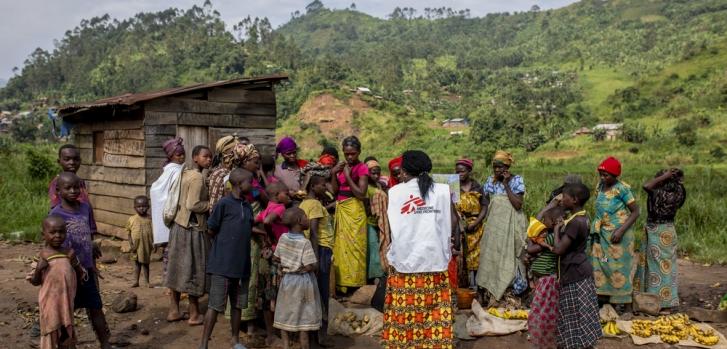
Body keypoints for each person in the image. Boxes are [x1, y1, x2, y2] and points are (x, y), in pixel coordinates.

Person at [382, 150, 455, 349]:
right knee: (434, 315)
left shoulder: (395, 192)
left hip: (405, 264)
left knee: (405, 313)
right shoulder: (442, 190)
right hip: (435, 263)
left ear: (404, 171)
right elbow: (450, 223)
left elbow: (394, 228)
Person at [50, 172, 112, 349]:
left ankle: (105, 343)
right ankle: (67, 345)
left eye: (76, 187)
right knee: (66, 313)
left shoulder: (85, 207)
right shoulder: (56, 215)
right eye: (68, 188)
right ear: (58, 191)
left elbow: (89, 231)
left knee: (95, 307)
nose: (73, 190)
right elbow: (51, 243)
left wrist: (91, 246)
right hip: (67, 274)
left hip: (86, 270)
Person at [199, 169, 254, 349]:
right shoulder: (224, 203)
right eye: (249, 182)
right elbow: (211, 229)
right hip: (222, 265)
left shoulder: (246, 206)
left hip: (242, 265)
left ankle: (235, 340)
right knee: (215, 305)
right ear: (239, 184)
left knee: (237, 305)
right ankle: (204, 343)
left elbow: (247, 228)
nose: (252, 185)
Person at [165, 145, 213, 325]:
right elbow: (193, 204)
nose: (208, 159)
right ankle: (193, 314)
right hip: (192, 229)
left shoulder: (183, 173)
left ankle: (174, 310)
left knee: (176, 268)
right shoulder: (198, 177)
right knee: (194, 269)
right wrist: (211, 204)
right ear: (195, 158)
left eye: (210, 157)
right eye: (205, 156)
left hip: (178, 226)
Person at [553, 183, 602, 349]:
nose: (561, 198)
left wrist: (556, 231)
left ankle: (575, 344)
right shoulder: (582, 217)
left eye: (564, 196)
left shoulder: (575, 222)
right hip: (580, 270)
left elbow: (559, 250)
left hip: (574, 274)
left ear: (574, 200)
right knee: (581, 315)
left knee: (573, 316)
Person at [476, 150, 528, 302]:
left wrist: (506, 185)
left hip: (513, 226)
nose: (497, 170)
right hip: (495, 227)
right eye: (495, 167)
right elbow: (485, 201)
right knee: (493, 255)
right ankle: (490, 290)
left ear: (507, 167)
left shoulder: (517, 180)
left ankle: (510, 291)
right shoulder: (490, 181)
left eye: (500, 167)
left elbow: (518, 204)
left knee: (512, 255)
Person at [28, 215, 86, 349]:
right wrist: (38, 269)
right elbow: (35, 282)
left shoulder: (69, 253)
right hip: (49, 302)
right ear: (44, 235)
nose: (58, 236)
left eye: (61, 232)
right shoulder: (42, 256)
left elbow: (80, 276)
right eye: (53, 232)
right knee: (51, 329)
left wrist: (75, 263)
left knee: (66, 330)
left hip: (66, 300)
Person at [590, 156, 640, 311]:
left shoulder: (622, 189)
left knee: (618, 268)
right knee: (601, 264)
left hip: (619, 236)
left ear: (615, 175)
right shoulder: (600, 186)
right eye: (601, 175)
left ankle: (624, 303)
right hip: (602, 234)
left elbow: (636, 211)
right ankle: (604, 299)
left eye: (607, 175)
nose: (603, 178)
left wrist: (620, 230)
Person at [273, 207, 322, 349]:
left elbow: (276, 258)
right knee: (303, 319)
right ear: (300, 221)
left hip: (287, 282)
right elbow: (311, 265)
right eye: (306, 217)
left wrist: (286, 265)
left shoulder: (282, 238)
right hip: (303, 283)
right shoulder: (304, 242)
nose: (308, 219)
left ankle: (286, 345)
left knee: (285, 313)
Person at [639, 168, 686, 310]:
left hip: (657, 231)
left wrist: (663, 176)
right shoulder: (679, 191)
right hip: (668, 230)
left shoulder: (662, 194)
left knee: (657, 269)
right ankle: (667, 301)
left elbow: (647, 186)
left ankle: (659, 302)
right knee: (666, 267)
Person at [330, 136, 369, 291]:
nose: (349, 157)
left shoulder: (362, 168)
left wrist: (347, 176)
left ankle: (356, 284)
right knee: (340, 247)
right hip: (342, 209)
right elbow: (334, 191)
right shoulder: (342, 166)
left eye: (352, 153)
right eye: (346, 154)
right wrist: (334, 173)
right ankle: (341, 284)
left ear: (359, 152)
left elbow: (361, 193)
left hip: (355, 211)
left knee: (355, 247)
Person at [256, 181, 291, 346]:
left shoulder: (266, 208)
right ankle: (279, 334)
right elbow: (268, 221)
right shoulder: (280, 208)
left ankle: (271, 333)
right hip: (279, 254)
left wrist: (264, 236)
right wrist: (272, 236)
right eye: (286, 193)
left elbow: (254, 221)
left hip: (267, 254)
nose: (289, 194)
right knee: (279, 294)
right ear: (278, 196)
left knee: (267, 293)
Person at [526, 206, 565, 349]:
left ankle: (540, 333)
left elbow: (530, 249)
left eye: (546, 219)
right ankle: (542, 333)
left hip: (547, 280)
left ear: (554, 222)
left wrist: (531, 237)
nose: (543, 221)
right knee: (543, 307)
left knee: (541, 307)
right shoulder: (550, 235)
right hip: (544, 279)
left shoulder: (550, 237)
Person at [299, 174, 334, 316]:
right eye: (322, 185)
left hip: (314, 247)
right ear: (313, 186)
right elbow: (314, 231)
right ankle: (323, 317)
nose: (325, 187)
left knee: (316, 284)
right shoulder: (315, 204)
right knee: (322, 285)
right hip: (321, 247)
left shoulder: (304, 203)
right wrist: (316, 258)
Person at [150, 137, 186, 265]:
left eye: (183, 154)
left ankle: (169, 279)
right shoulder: (175, 172)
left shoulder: (173, 170)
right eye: (178, 155)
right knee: (173, 253)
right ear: (171, 156)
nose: (181, 157)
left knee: (170, 253)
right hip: (173, 217)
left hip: (169, 218)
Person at [454, 158, 487, 288]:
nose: (459, 174)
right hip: (459, 226)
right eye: (457, 172)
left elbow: (484, 206)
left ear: (469, 171)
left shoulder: (477, 186)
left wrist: (476, 222)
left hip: (476, 227)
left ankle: (477, 288)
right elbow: (450, 206)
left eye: (462, 171)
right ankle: (463, 289)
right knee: (462, 259)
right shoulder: (453, 186)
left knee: (477, 257)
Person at [365, 158, 386, 281]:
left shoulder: (379, 185)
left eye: (378, 173)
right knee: (373, 247)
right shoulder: (366, 187)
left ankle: (380, 271)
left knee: (380, 245)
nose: (376, 176)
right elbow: (366, 206)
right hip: (370, 221)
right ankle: (375, 275)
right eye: (373, 173)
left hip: (380, 221)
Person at [49, 144, 89, 208]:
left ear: (80, 161)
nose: (72, 162)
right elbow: (55, 208)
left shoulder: (80, 181)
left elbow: (85, 202)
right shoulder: (57, 182)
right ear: (59, 162)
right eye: (67, 159)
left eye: (76, 159)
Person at [126, 195, 153, 288]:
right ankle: (136, 281)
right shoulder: (132, 219)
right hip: (136, 247)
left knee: (146, 264)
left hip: (146, 245)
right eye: (139, 207)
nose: (142, 208)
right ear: (135, 208)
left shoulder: (150, 219)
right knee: (137, 264)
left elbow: (154, 232)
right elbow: (129, 233)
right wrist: (131, 244)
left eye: (144, 206)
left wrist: (155, 244)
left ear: (148, 207)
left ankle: (147, 282)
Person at [208, 135, 241, 211]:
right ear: (226, 152)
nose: (239, 152)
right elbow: (214, 206)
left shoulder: (234, 170)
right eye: (236, 149)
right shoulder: (219, 174)